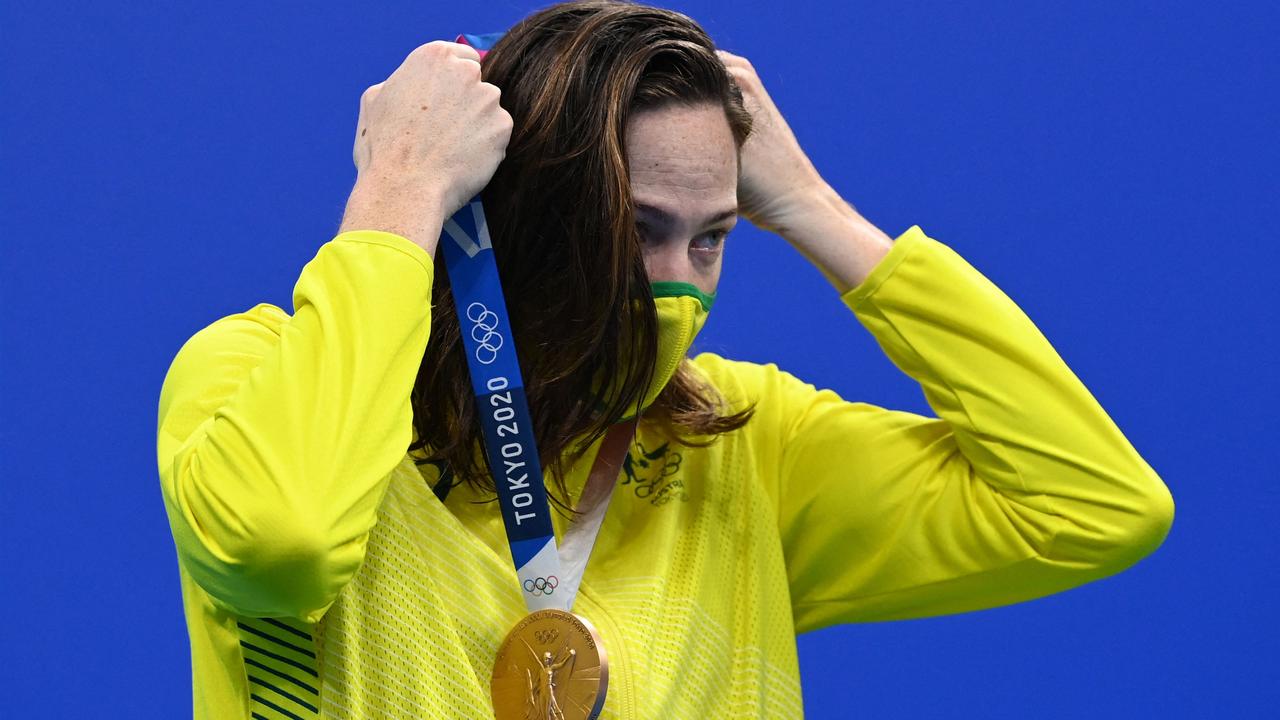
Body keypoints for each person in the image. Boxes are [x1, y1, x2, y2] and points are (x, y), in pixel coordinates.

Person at [154, 1, 1175, 718]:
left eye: (712, 238)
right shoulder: (259, 376)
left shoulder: (742, 447)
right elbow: (278, 546)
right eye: (636, 227)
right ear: (510, 216)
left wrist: (812, 211)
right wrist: (400, 194)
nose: (676, 287)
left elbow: (1093, 506)